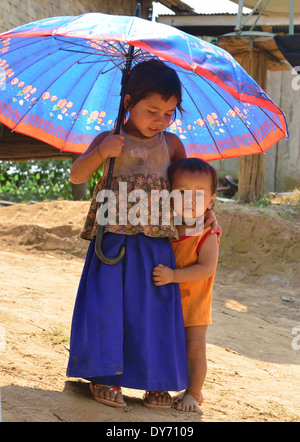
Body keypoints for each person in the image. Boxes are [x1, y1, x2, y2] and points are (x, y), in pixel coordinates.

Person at [67, 60, 219, 409]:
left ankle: (157, 381)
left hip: (155, 246)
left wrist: (209, 212)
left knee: (153, 311)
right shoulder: (109, 139)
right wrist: (101, 153)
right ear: (127, 102)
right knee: (107, 306)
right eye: (152, 110)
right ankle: (105, 378)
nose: (160, 120)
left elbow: (192, 187)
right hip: (112, 243)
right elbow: (77, 175)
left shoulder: (173, 146)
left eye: (169, 113)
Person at [152, 158, 220, 412]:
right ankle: (162, 385)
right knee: (166, 343)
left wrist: (172, 277)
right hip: (168, 303)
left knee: (194, 347)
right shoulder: (165, 227)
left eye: (199, 194)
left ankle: (193, 392)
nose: (190, 199)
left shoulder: (207, 232)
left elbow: (206, 269)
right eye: (181, 192)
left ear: (211, 201)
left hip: (195, 304)